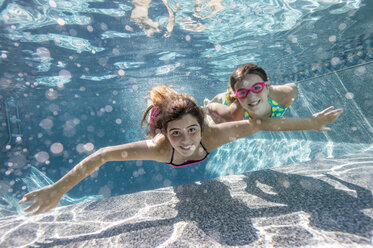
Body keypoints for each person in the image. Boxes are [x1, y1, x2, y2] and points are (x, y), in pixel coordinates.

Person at [19, 85, 342, 215]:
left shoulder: (210, 137)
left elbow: (261, 125)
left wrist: (310, 125)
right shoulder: (160, 149)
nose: (186, 141)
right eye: (176, 134)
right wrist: (58, 191)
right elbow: (102, 155)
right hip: (190, 125)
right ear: (163, 133)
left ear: (200, 130)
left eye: (191, 131)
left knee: (240, 113)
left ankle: (220, 102)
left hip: (213, 120)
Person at [205, 63, 298, 123]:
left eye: (257, 87)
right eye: (242, 92)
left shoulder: (286, 96)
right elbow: (212, 107)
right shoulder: (234, 116)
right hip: (227, 99)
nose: (251, 96)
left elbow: (294, 86)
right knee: (219, 100)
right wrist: (209, 105)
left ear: (267, 86)